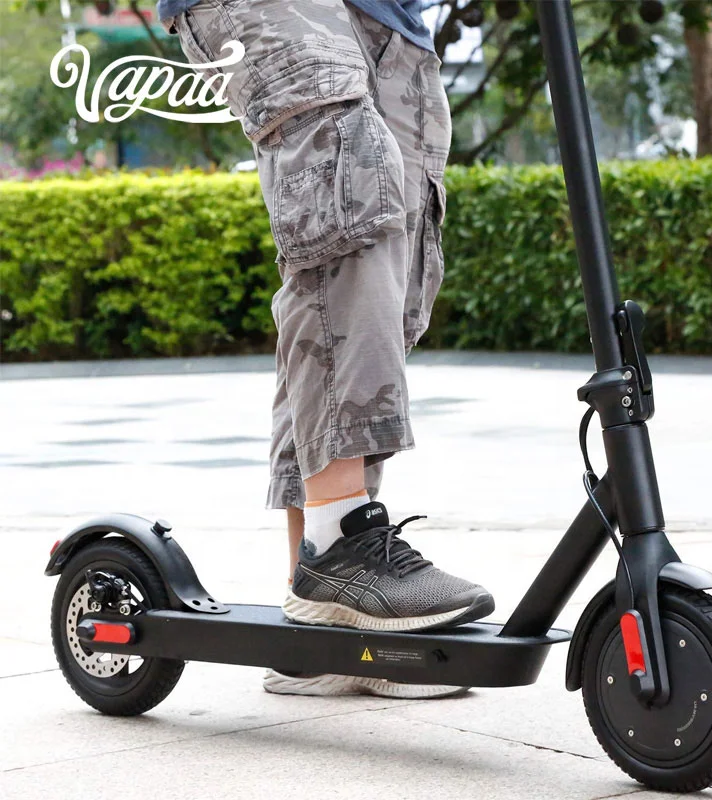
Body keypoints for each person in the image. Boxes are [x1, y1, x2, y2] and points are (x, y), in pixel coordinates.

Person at [158, 0, 495, 697]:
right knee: (349, 205)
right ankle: (342, 543)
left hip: (395, 17)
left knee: (388, 270)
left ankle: (320, 624)